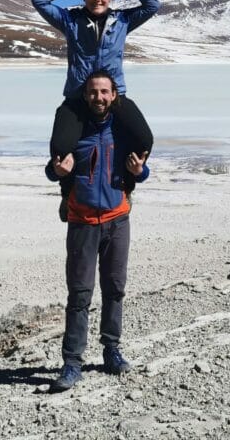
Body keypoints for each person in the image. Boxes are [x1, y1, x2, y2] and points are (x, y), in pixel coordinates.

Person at [50, 69, 149, 392]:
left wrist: (141, 171)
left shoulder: (122, 132)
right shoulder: (75, 132)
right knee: (79, 295)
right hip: (82, 223)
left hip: (118, 219)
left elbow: (140, 168)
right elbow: (53, 169)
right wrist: (55, 171)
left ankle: (111, 350)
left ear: (114, 96)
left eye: (104, 92)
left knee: (115, 288)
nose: (99, 98)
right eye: (93, 92)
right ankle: (72, 363)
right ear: (86, 95)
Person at [32, 0, 159, 189]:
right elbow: (40, 1)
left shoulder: (123, 20)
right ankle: (67, 193)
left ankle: (127, 187)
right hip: (78, 95)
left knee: (143, 139)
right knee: (62, 147)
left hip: (113, 94)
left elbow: (152, 5)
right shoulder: (70, 20)